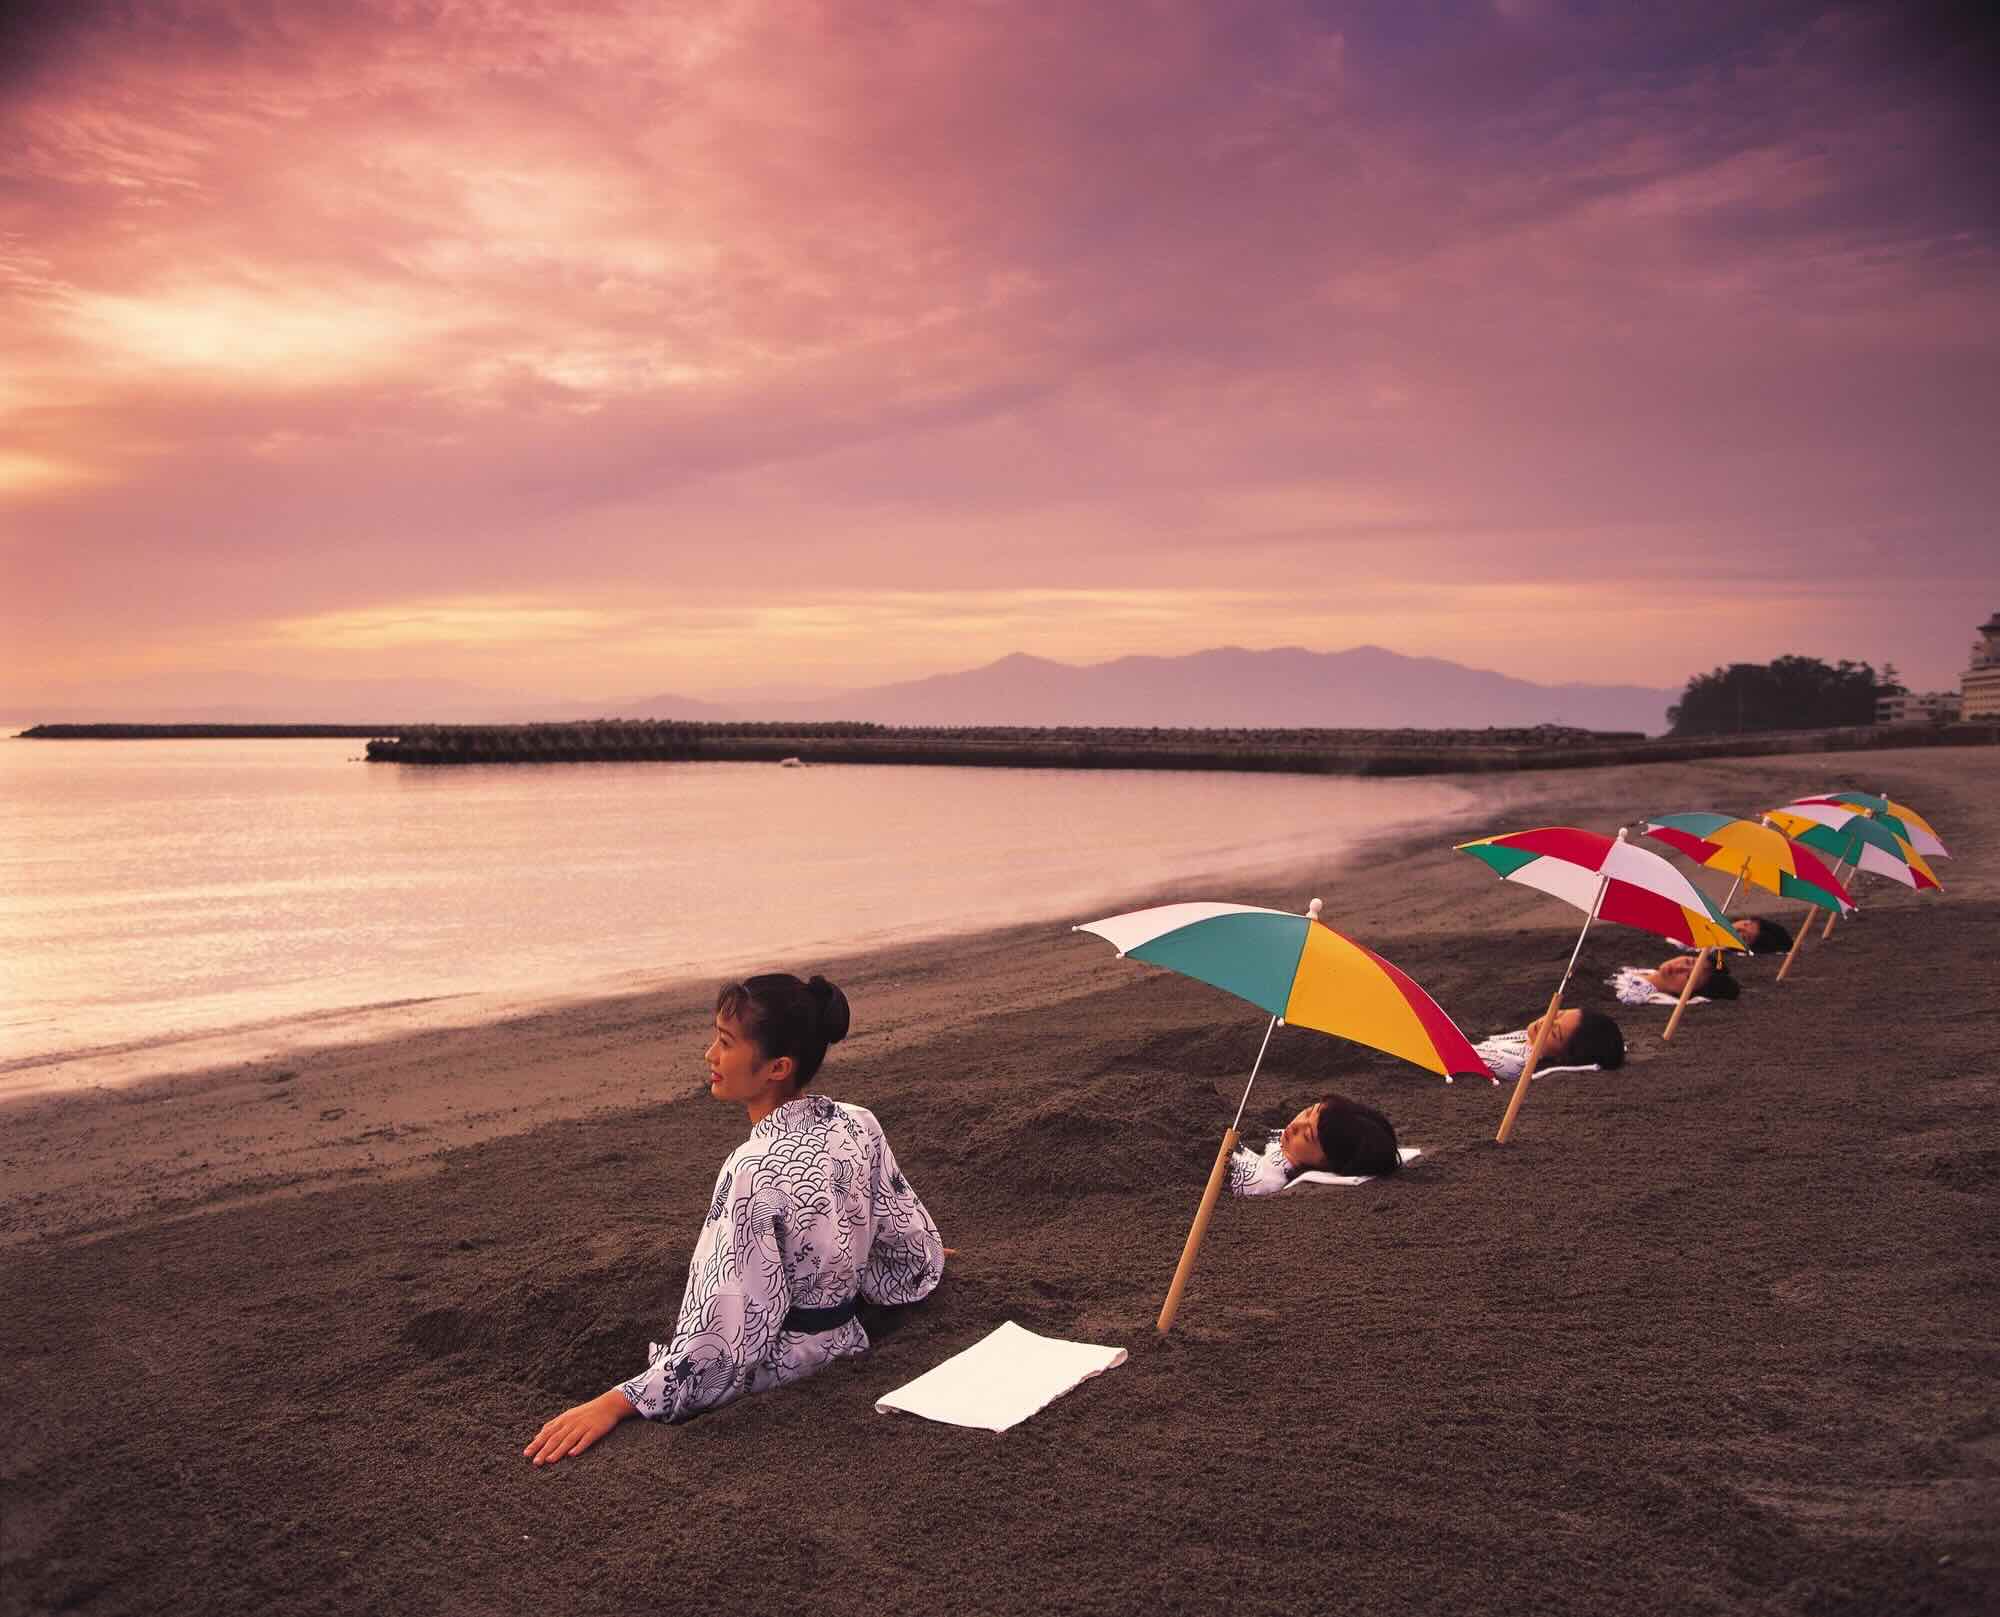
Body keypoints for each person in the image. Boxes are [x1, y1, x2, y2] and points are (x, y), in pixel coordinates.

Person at [523, 973, 944, 1466]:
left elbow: (726, 1335)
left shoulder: (752, 1169)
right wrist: (899, 1256)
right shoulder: (857, 1122)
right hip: (851, 1337)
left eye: (725, 1043)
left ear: (777, 1067)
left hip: (791, 1366)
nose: (710, 1056)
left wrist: (618, 1401)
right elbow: (907, 1240)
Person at [1228, 1093, 1402, 1196]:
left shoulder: (1264, 1181)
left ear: (1327, 1164)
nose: (1296, 1125)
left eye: (1306, 1135)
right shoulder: (1288, 1143)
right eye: (1308, 1112)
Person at [1473, 1008, 1625, 1081]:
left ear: (1562, 1058)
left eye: (1554, 1033)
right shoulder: (1527, 1037)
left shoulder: (1516, 1064)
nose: (1544, 1022)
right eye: (1558, 1014)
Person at [1609, 952, 1739, 1006]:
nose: (1679, 968)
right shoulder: (1640, 971)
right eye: (1688, 961)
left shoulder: (1634, 994)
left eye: (1688, 977)